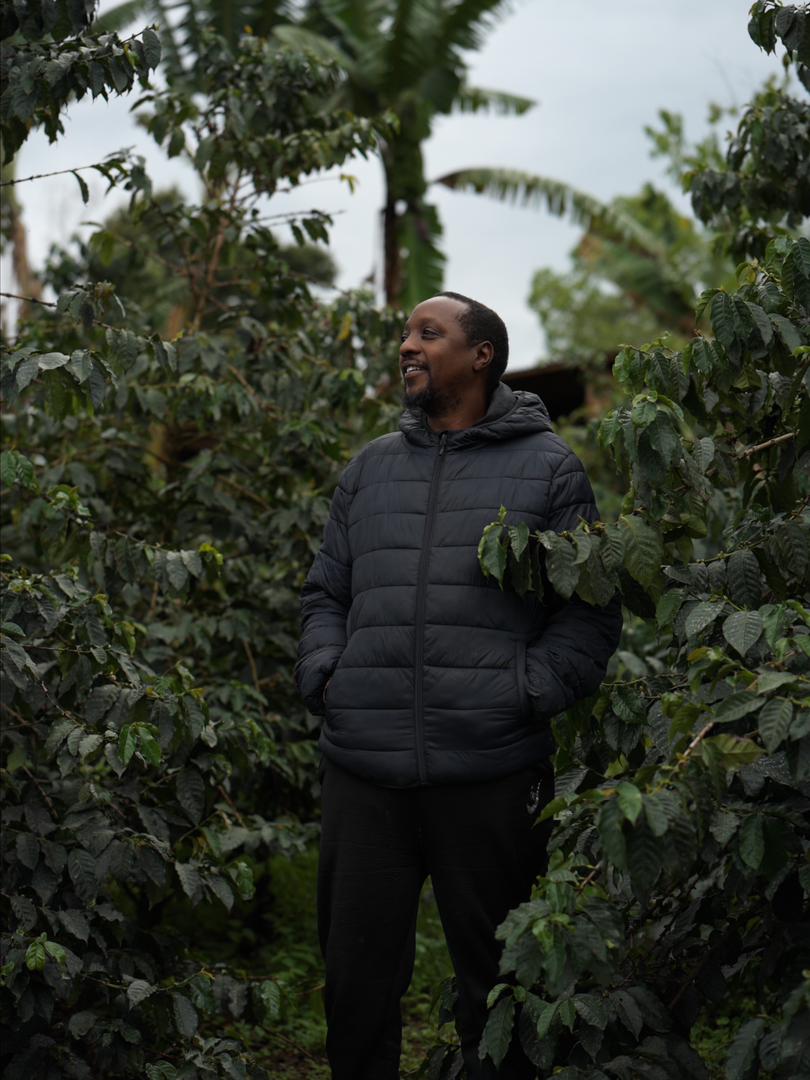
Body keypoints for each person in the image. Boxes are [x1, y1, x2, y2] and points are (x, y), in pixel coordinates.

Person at [295, 292, 622, 1079]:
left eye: (428, 333)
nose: (407, 346)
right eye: (406, 334)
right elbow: (325, 594)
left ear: (481, 356)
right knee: (356, 987)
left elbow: (589, 612)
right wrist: (328, 674)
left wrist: (521, 692)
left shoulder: (548, 467)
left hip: (490, 768)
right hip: (363, 765)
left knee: (502, 989)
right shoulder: (370, 467)